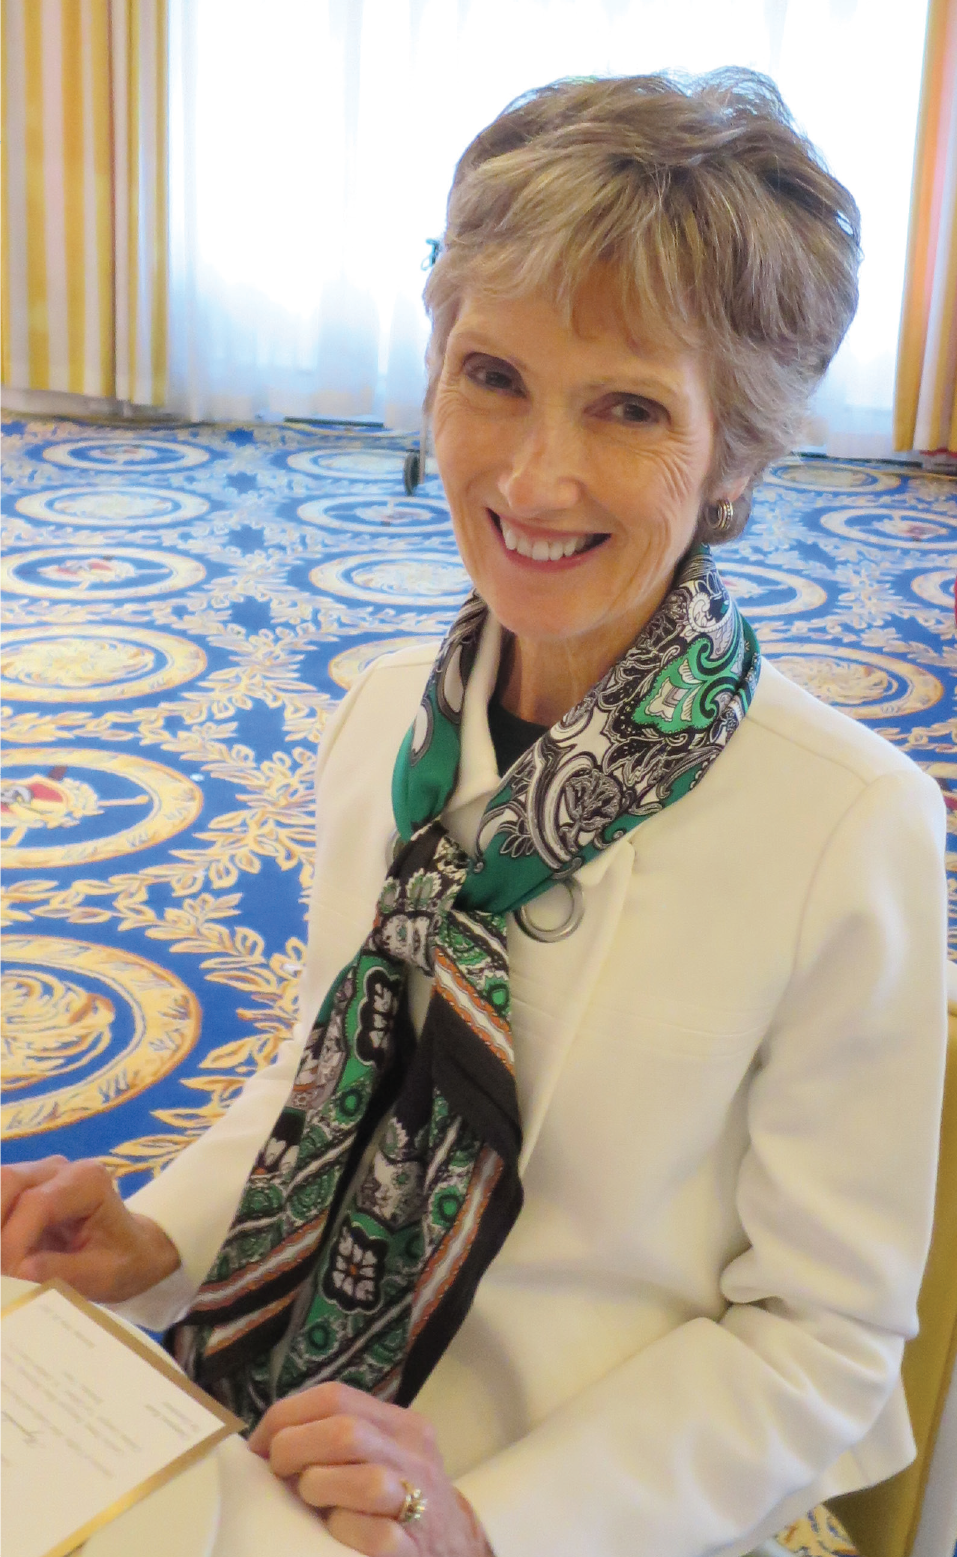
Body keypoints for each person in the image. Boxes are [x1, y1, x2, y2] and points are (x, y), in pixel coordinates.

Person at [0, 70, 947, 1557]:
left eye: (630, 407)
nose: (534, 474)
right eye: (493, 375)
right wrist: (161, 1241)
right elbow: (316, 1078)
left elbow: (822, 1345)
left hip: (592, 1504)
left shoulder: (846, 830)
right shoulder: (392, 715)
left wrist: (490, 1520)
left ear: (740, 452)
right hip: (294, 1426)